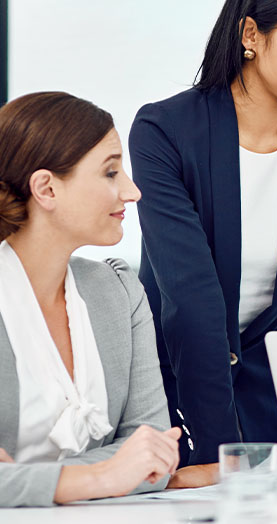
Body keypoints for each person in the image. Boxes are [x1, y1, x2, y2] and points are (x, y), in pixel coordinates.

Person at [128, 0, 277, 486]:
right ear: (252, 36)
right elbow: (189, 294)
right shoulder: (164, 130)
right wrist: (223, 455)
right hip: (168, 378)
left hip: (269, 378)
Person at [0, 92, 180, 507]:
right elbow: (132, 463)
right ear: (46, 188)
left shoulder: (119, 292)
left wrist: (18, 480)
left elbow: (154, 453)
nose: (132, 191)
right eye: (111, 172)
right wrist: (101, 475)